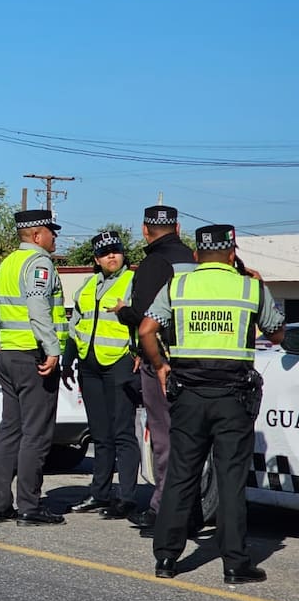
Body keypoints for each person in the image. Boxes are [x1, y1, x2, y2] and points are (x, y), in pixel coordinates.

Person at [140, 224, 284, 583]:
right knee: (231, 478)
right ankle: (235, 564)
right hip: (234, 397)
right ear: (232, 254)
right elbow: (278, 332)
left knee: (181, 474)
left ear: (196, 256)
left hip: (188, 394)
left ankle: (166, 559)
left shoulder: (178, 286)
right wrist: (259, 284)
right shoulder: (250, 288)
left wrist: (160, 367)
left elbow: (145, 330)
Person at [111, 205, 197, 531]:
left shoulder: (152, 265)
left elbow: (146, 320)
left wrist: (124, 314)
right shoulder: (194, 258)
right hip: (197, 360)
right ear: (177, 226)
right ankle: (191, 508)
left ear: (145, 231)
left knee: (163, 439)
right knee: (193, 440)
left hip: (163, 362)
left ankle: (163, 509)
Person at [0, 209, 69, 526]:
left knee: (10, 431)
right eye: (51, 231)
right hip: (33, 357)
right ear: (37, 235)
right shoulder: (39, 263)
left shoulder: (8, 263)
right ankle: (30, 507)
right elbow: (37, 308)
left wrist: (5, 346)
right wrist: (51, 349)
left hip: (9, 354)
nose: (55, 237)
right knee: (36, 434)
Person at [66, 232, 139, 519]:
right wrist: (68, 359)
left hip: (120, 362)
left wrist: (140, 354)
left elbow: (144, 320)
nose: (112, 256)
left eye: (116, 251)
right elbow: (76, 325)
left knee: (123, 433)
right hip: (90, 365)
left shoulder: (132, 282)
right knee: (100, 434)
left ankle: (128, 498)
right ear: (96, 259)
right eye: (106, 252)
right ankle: (100, 493)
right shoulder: (88, 285)